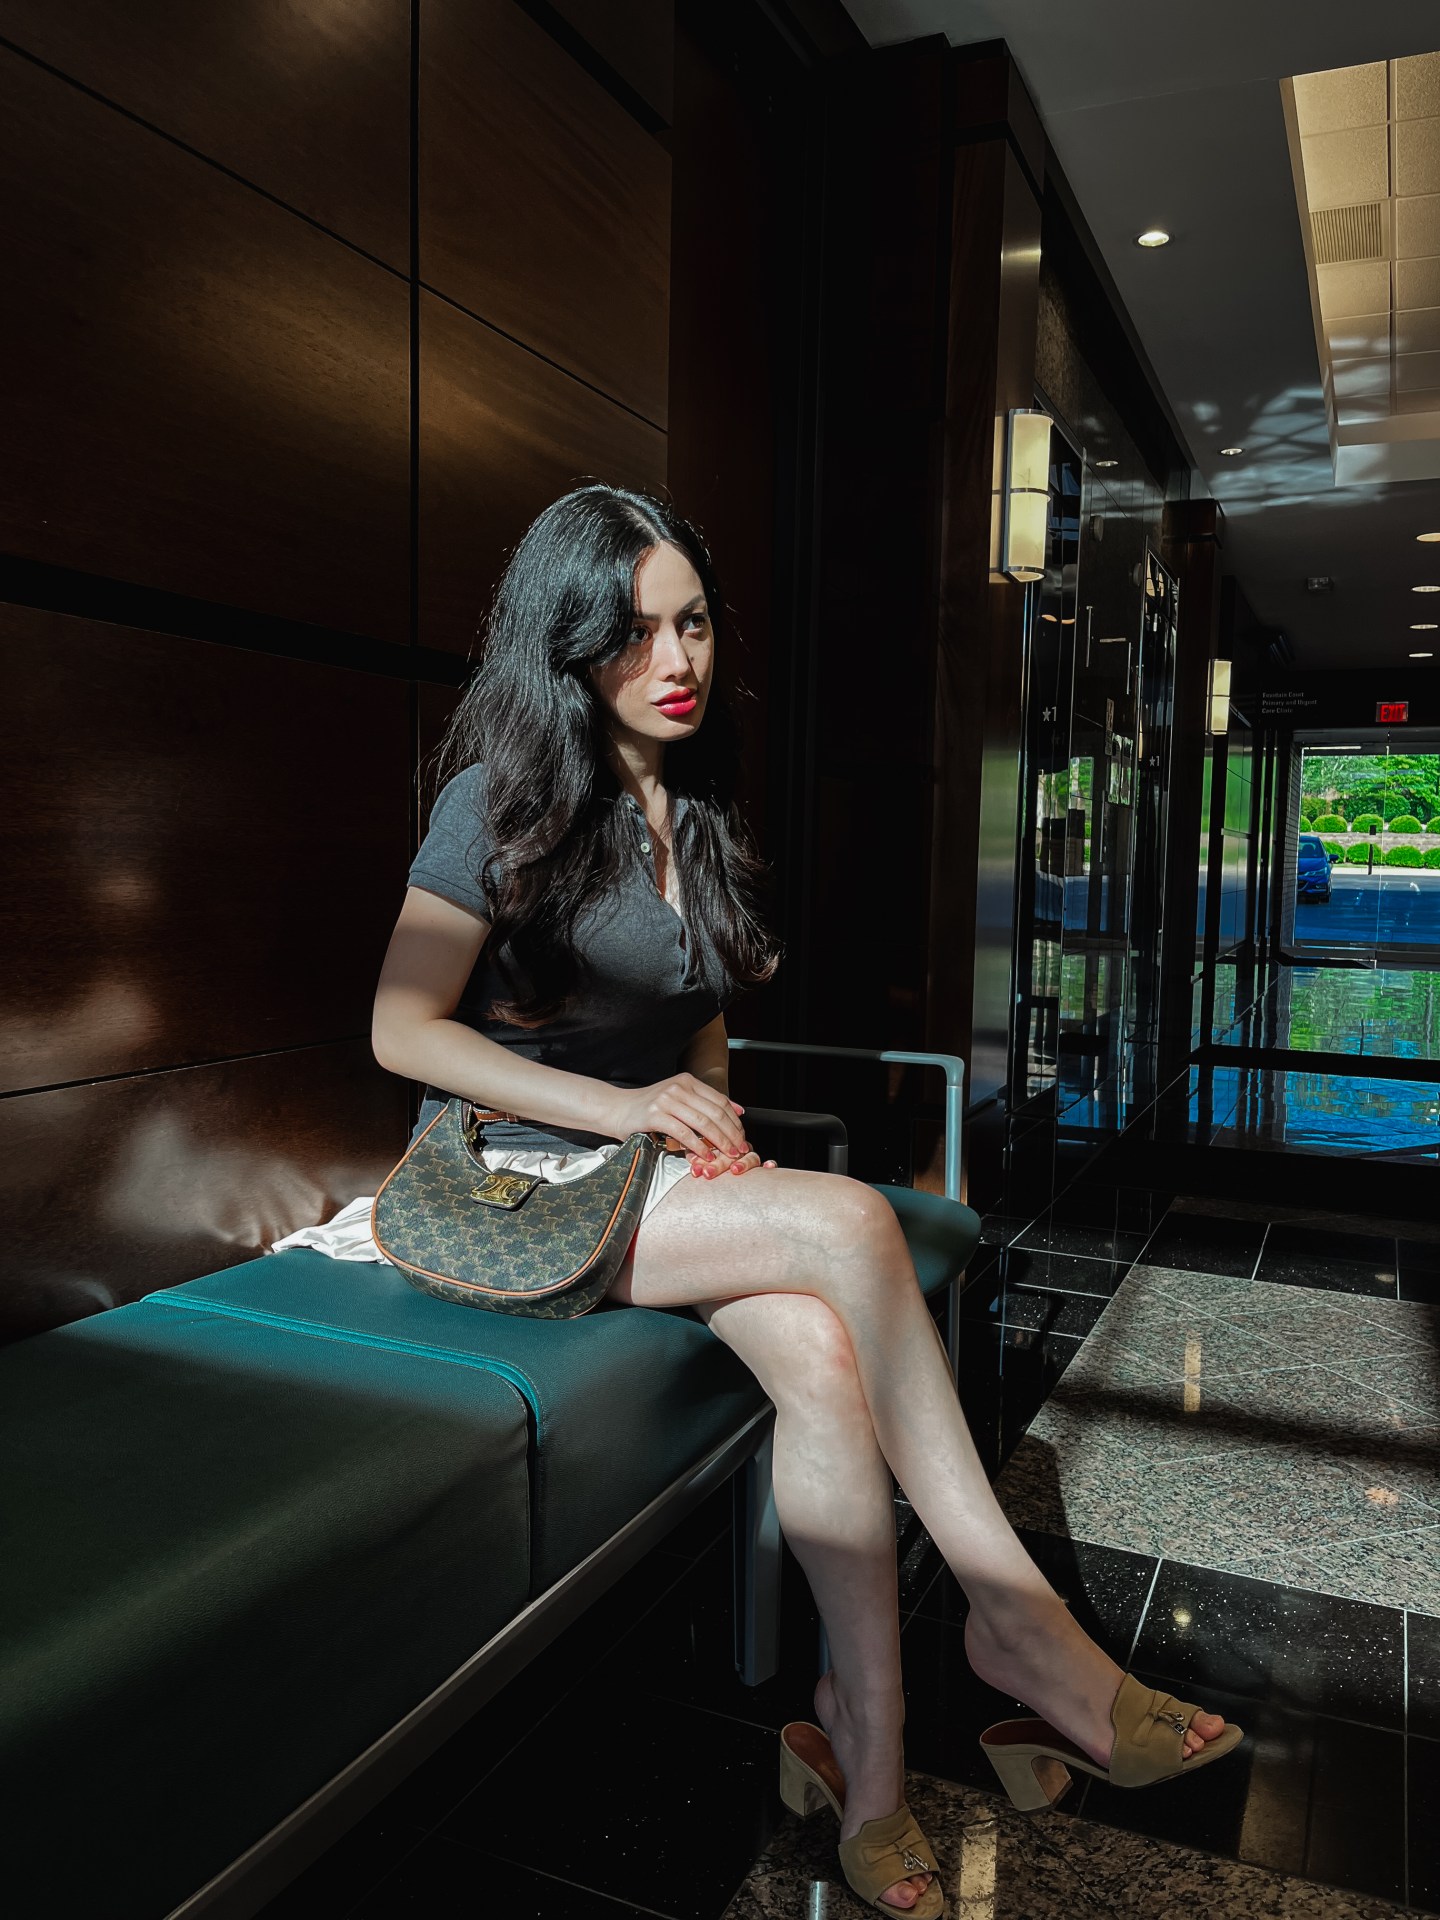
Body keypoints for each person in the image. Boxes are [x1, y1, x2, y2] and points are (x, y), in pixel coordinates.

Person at [371, 484, 1238, 1916]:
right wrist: (630, 1112)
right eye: (636, 632)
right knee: (857, 1220)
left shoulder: (694, 806)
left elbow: (697, 1033)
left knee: (827, 1352)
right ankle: (1018, 1626)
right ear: (566, 644)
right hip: (516, 1178)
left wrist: (712, 1141)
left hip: (649, 1179)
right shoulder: (499, 803)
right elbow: (402, 1030)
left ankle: (868, 1765)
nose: (677, 659)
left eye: (695, 623)